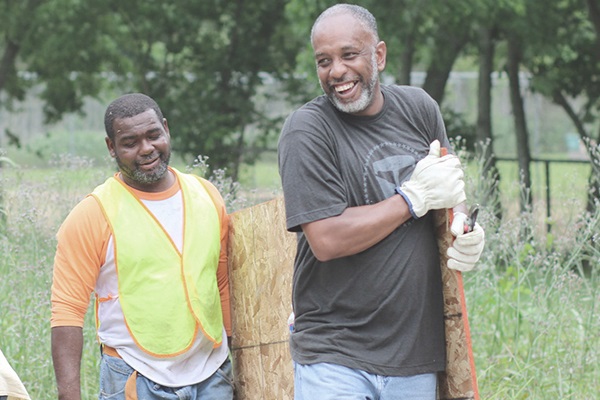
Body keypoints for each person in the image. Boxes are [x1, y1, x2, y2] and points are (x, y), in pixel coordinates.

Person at [277, 4, 485, 400]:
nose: (336, 71)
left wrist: (464, 227)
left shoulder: (419, 109)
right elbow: (326, 238)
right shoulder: (307, 129)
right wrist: (410, 199)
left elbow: (449, 188)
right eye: (324, 61)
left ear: (380, 55)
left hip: (414, 356)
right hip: (334, 354)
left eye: (349, 55)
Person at [50, 93, 233, 400]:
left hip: (212, 375)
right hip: (134, 377)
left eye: (153, 136)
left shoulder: (207, 195)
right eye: (130, 142)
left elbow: (221, 281)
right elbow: (67, 311)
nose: (146, 149)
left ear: (166, 129)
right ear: (112, 147)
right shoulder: (93, 213)